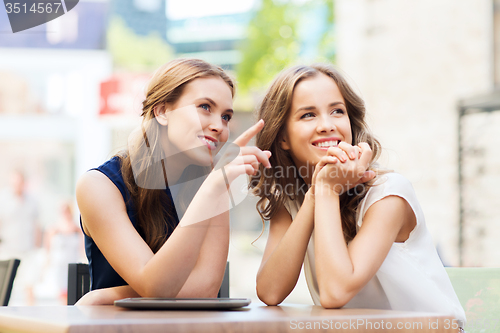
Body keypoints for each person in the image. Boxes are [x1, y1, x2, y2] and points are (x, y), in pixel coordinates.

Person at [251, 64, 466, 329]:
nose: (327, 125)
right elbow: (270, 292)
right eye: (308, 115)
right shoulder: (293, 200)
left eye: (337, 111)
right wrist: (316, 195)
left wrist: (327, 190)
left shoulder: (389, 194)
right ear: (283, 137)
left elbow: (335, 292)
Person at [76, 58, 271, 305]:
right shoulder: (98, 186)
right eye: (205, 107)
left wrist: (107, 296)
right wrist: (213, 187)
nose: (218, 126)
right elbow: (154, 285)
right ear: (162, 111)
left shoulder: (212, 183)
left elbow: (207, 288)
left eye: (226, 116)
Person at [0, 170, 41, 305]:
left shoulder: (32, 201)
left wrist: (37, 248)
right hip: (8, 250)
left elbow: (36, 225)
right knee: (5, 287)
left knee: (29, 286)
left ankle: (31, 320)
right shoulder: (3, 199)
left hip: (27, 251)